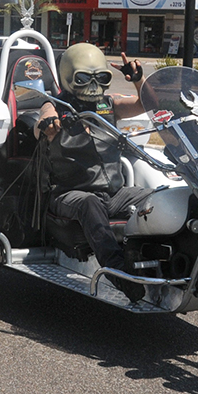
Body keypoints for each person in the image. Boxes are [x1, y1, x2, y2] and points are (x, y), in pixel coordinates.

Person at [34, 43, 151, 299]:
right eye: (84, 78)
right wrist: (48, 123)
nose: (93, 85)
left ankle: (168, 262)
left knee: (157, 197)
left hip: (114, 193)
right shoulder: (56, 105)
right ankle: (118, 272)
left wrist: (138, 80)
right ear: (68, 77)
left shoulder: (109, 105)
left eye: (101, 77)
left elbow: (147, 103)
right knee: (89, 203)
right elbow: (42, 120)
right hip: (70, 193)